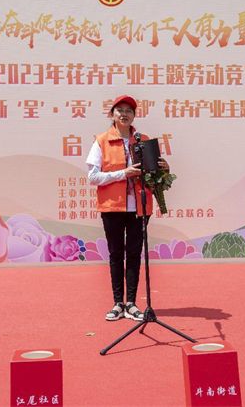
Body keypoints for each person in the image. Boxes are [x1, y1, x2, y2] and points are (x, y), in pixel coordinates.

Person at [86, 95, 167, 322]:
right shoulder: (101, 141)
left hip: (139, 206)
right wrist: (124, 173)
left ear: (134, 116)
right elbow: (93, 177)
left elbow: (154, 175)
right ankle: (117, 303)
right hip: (112, 207)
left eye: (129, 110)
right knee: (116, 254)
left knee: (133, 254)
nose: (124, 114)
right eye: (119, 110)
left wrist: (163, 168)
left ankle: (131, 303)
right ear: (112, 114)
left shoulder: (144, 140)